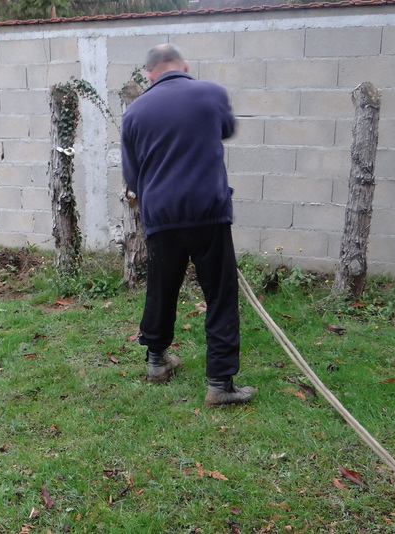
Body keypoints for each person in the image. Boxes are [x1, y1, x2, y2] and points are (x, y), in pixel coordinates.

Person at [120, 43, 256, 405]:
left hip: (161, 216)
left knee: (161, 290)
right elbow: (225, 128)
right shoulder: (211, 93)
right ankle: (220, 385)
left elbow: (132, 176)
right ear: (184, 65)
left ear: (149, 74)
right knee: (219, 295)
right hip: (208, 212)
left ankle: (156, 362)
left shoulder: (134, 113)